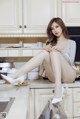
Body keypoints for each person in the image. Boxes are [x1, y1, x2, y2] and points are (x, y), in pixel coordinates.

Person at [1, 17, 77, 103]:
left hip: (69, 75)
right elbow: (43, 62)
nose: (55, 30)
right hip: (54, 77)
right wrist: (45, 49)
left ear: (62, 27)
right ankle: (16, 76)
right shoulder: (50, 43)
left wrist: (60, 51)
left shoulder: (71, 43)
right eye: (52, 29)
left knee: (54, 52)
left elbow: (71, 61)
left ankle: (58, 90)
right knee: (45, 52)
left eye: (57, 26)